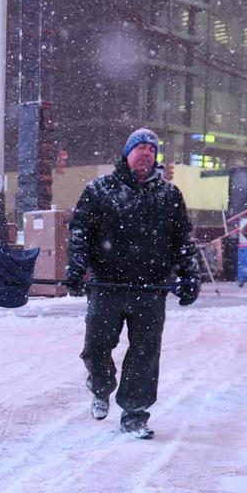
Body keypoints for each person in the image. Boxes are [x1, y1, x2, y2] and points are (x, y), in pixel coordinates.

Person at [65, 128, 200, 439]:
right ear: (126, 154)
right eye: (139, 147)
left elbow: (183, 241)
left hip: (150, 289)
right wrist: (76, 268)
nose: (146, 153)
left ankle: (135, 414)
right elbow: (80, 232)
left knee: (145, 354)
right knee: (96, 348)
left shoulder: (169, 195)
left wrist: (189, 275)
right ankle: (101, 385)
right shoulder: (100, 190)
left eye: (151, 150)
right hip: (107, 286)